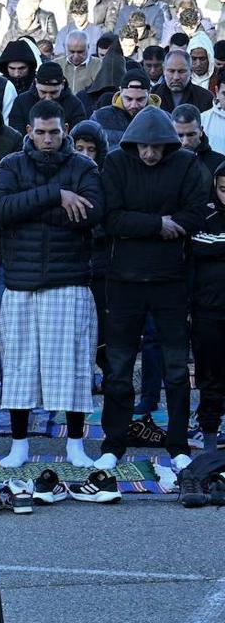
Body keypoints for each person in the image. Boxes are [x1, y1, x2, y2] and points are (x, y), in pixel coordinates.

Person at [97, 106, 210, 483]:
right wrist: (157, 223)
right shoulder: (115, 164)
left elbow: (195, 214)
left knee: (177, 371)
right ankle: (112, 446)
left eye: (156, 147)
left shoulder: (187, 164)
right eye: (143, 147)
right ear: (133, 144)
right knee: (118, 369)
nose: (149, 154)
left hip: (170, 281)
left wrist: (157, 224)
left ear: (167, 144)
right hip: (124, 280)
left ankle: (177, 446)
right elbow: (110, 217)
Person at [0, 99, 103, 469]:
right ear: (29, 131)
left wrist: (31, 210)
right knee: (20, 368)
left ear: (65, 129)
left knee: (72, 367)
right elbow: (2, 211)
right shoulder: (11, 164)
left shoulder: (84, 166)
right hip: (21, 283)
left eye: (54, 132)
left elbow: (89, 215)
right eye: (40, 132)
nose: (48, 139)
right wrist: (56, 195)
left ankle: (75, 445)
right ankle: (18, 445)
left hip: (69, 281)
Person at [191, 165, 225, 450]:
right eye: (224, 190)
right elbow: (201, 244)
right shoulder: (206, 213)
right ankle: (210, 439)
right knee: (210, 378)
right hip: (209, 310)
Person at [171, 104, 225, 176]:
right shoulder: (163, 162)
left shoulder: (219, 163)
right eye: (180, 135)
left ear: (201, 131)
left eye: (191, 135)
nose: (185, 142)